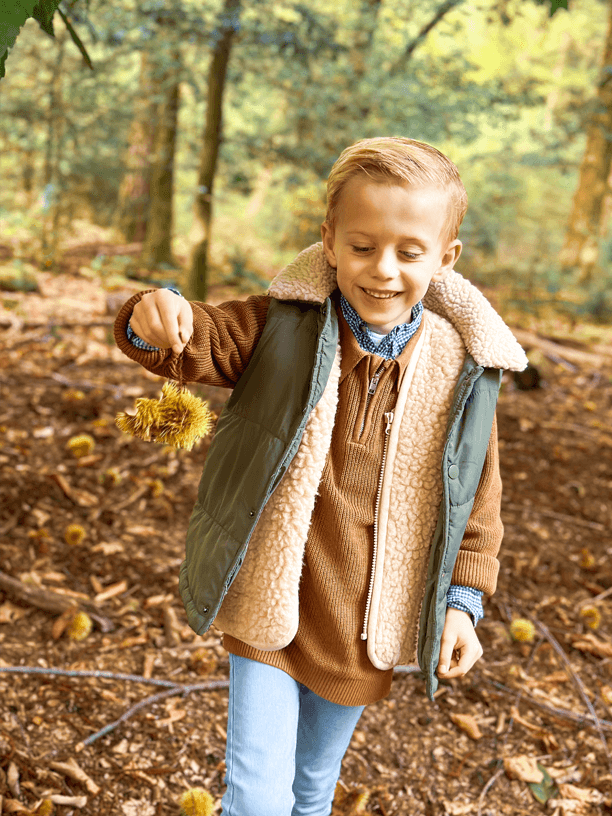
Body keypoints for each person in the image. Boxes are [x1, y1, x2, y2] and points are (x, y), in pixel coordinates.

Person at [113, 136, 527, 816]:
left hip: (364, 624)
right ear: (329, 242)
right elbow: (198, 340)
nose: (383, 270)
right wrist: (151, 317)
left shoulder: (461, 369)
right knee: (256, 798)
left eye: (408, 251)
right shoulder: (283, 327)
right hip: (270, 607)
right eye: (362, 247)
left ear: (445, 258)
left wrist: (464, 604)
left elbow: (477, 499)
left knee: (311, 789)